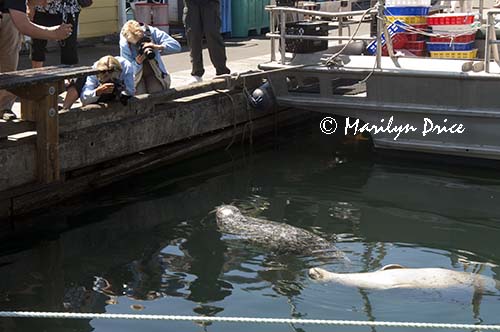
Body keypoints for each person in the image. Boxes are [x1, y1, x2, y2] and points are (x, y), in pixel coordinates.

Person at [0, 0, 72, 119]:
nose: (44, 5)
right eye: (45, 0)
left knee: (9, 66)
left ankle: (3, 107)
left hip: (7, 16)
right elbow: (23, 26)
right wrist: (54, 33)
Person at [120, 20, 181, 94]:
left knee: (156, 94)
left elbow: (176, 47)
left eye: (142, 40)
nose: (141, 45)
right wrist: (137, 63)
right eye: (137, 44)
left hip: (154, 72)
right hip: (136, 76)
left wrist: (157, 46)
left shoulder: (151, 32)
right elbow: (127, 70)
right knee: (140, 97)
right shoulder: (125, 44)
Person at [183, 0, 230, 84]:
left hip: (210, 3)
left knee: (212, 33)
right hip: (191, 3)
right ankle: (196, 72)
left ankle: (222, 70)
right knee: (193, 35)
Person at [62, 55, 135, 110]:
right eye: (105, 79)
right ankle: (65, 109)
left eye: (111, 79)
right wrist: (97, 92)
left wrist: (120, 89)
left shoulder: (126, 67)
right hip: (98, 94)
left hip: (117, 97)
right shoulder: (95, 70)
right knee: (79, 78)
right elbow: (84, 99)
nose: (108, 81)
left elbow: (130, 91)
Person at [31, 0, 82, 68]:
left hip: (68, 8)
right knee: (38, 43)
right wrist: (30, 6)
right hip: (42, 7)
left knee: (69, 45)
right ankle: (36, 73)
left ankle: (68, 75)